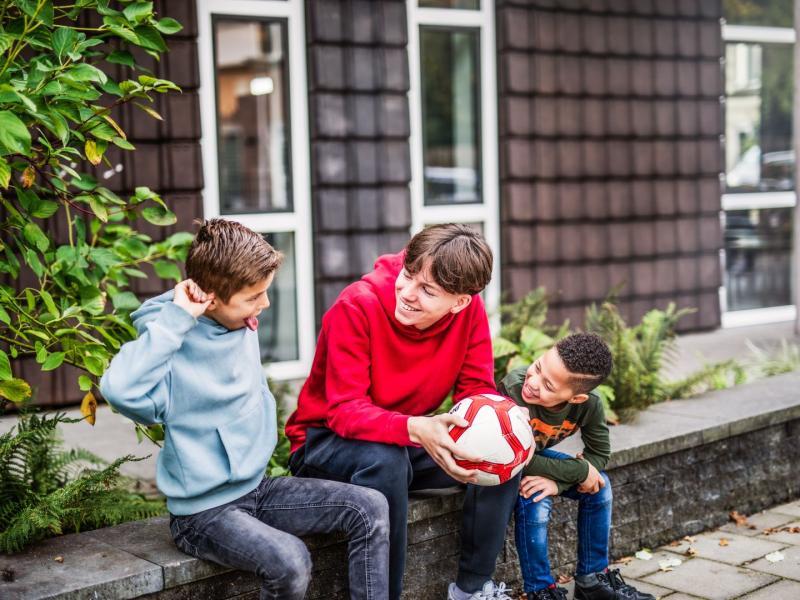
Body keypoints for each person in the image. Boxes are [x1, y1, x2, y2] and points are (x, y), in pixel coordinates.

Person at [100, 219, 389, 600]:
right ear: (211, 298)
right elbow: (118, 389)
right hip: (203, 515)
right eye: (253, 297)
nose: (264, 305)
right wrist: (176, 321)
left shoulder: (240, 320)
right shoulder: (169, 342)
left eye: (265, 292)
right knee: (290, 560)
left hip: (258, 490)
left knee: (370, 507)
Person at [286, 223, 518, 600]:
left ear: (460, 301)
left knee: (501, 452)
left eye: (427, 291)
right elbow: (344, 411)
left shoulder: (468, 311)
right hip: (325, 443)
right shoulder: (357, 305)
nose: (407, 293)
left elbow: (476, 389)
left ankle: (471, 590)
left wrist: (501, 418)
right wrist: (416, 428)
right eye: (408, 275)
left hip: (402, 441)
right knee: (387, 461)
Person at [498, 333, 655, 600]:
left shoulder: (589, 405)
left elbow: (600, 453)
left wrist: (557, 483)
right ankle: (540, 589)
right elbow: (514, 456)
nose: (533, 383)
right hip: (503, 462)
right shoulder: (513, 388)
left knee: (599, 488)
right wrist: (580, 471)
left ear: (576, 399)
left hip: (533, 459)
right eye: (537, 367)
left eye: (548, 385)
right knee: (534, 497)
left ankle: (592, 580)